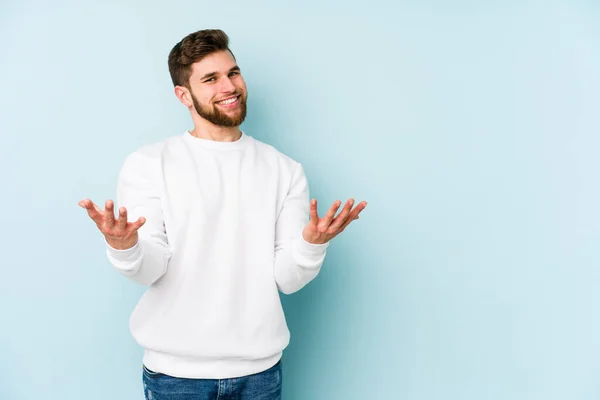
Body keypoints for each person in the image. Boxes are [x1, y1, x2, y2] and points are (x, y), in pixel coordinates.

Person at [78, 29, 367, 400]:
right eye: (210, 79)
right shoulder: (149, 164)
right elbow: (150, 269)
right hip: (175, 378)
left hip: (259, 375)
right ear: (184, 95)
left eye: (233, 73)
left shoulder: (284, 169)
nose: (229, 86)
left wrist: (311, 245)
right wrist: (125, 246)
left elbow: (287, 280)